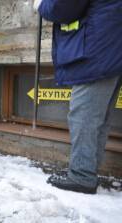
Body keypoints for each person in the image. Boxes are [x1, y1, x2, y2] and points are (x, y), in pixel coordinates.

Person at [35, 0, 122, 194]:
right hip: (111, 46)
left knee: (84, 115)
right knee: (98, 118)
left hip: (97, 49)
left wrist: (41, 5)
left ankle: (82, 176)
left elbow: (62, 7)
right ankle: (87, 172)